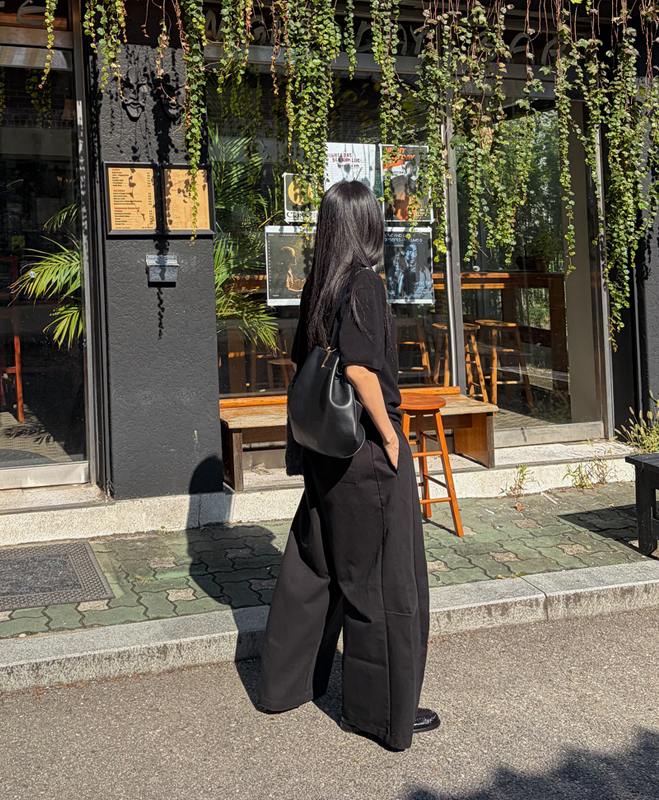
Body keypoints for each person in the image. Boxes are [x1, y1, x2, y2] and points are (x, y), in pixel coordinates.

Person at [257, 180, 439, 751]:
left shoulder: (319, 284)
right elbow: (360, 369)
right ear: (368, 225)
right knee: (381, 583)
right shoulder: (363, 282)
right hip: (363, 452)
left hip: (323, 450)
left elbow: (308, 362)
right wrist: (390, 439)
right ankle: (383, 715)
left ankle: (284, 686)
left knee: (314, 566)